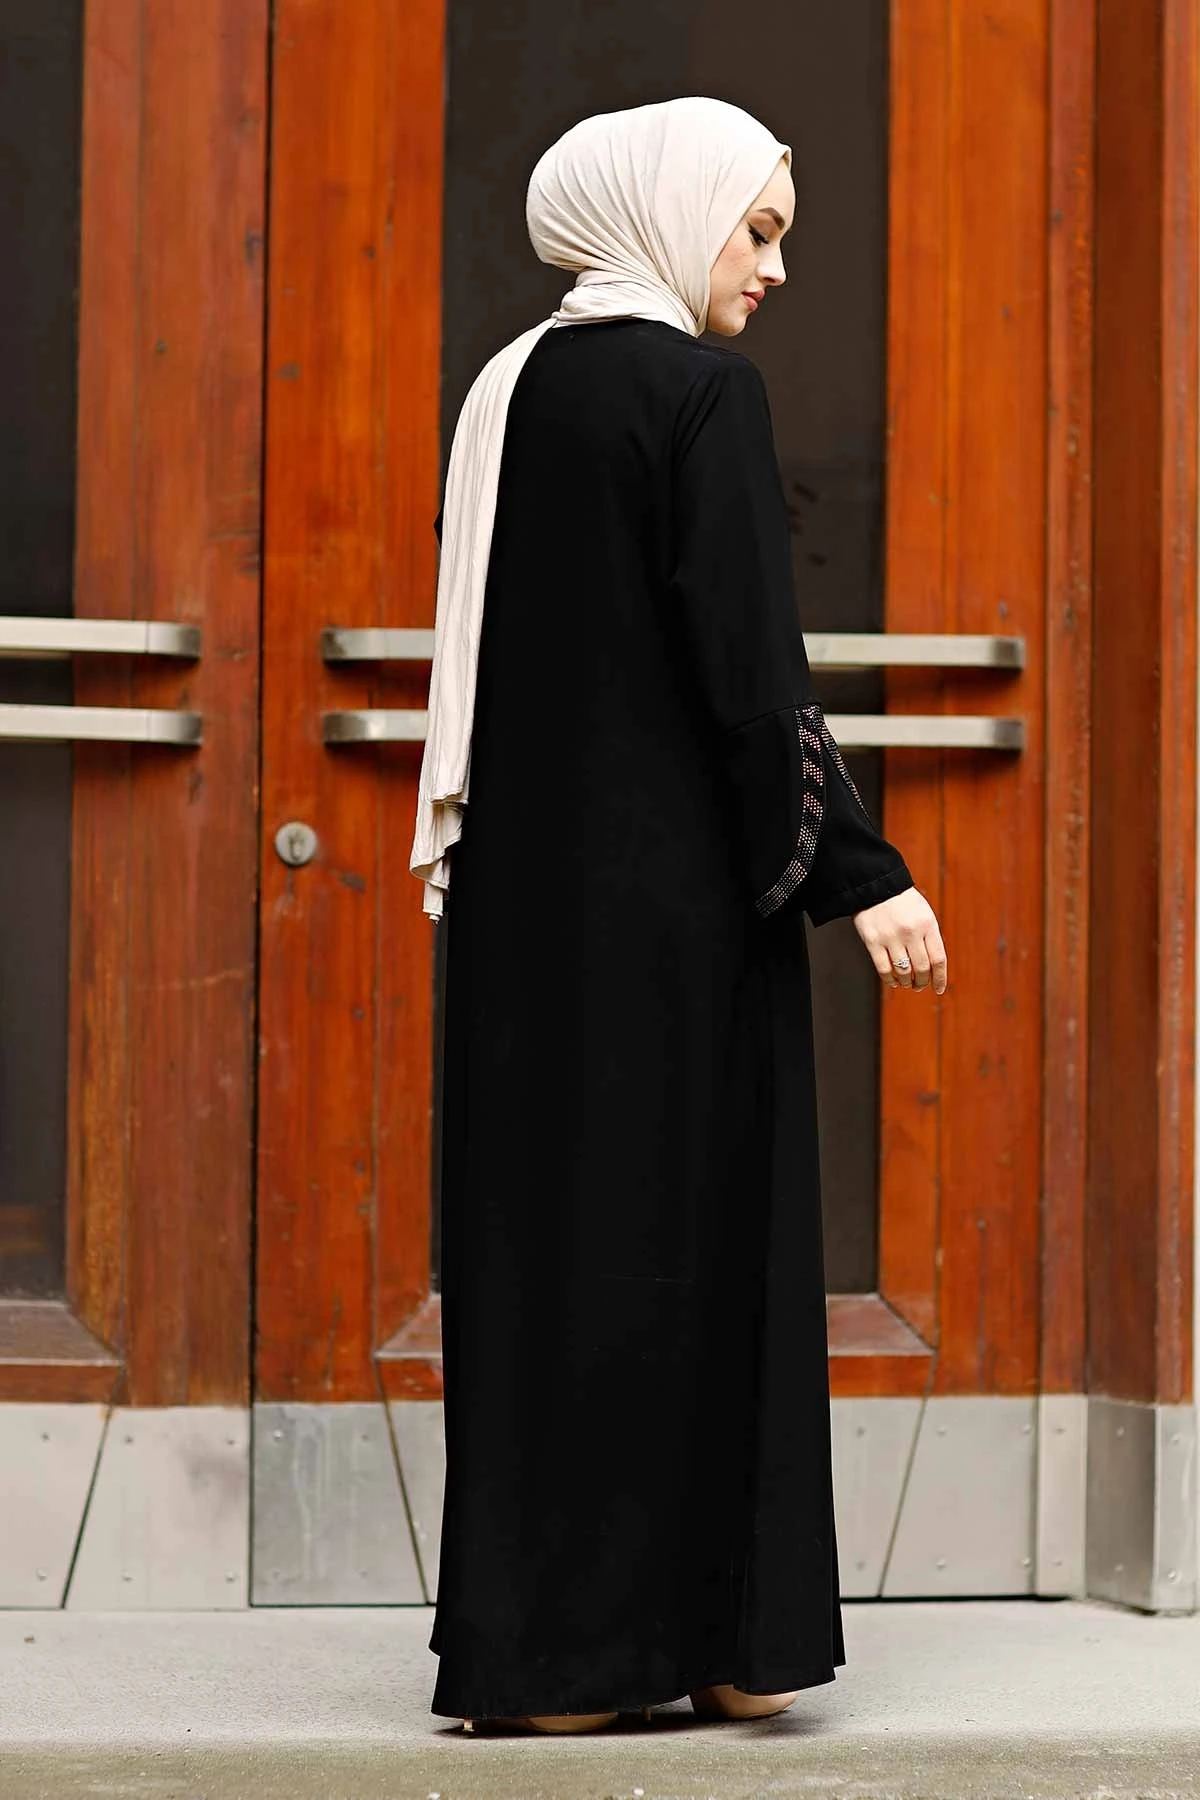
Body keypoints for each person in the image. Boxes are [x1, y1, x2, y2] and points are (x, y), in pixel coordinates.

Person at [411, 96, 947, 1736]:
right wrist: (864, 871)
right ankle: (724, 1641)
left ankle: (546, 1664)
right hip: (680, 925)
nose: (774, 269)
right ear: (671, 208)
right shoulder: (704, 393)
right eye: (759, 229)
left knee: (546, 1248)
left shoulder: (507, 391)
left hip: (522, 923)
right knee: (707, 1251)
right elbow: (752, 669)